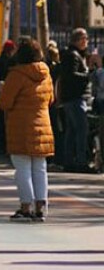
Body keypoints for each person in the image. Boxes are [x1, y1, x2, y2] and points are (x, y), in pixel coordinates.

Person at [0, 38, 54, 221]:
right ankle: (41, 207)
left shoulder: (16, 74)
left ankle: (25, 207)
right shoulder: (46, 74)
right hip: (42, 125)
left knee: (22, 168)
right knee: (40, 168)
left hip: (20, 126)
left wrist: (2, 90)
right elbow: (51, 99)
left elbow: (5, 102)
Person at [58, 27, 93, 172]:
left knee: (72, 131)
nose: (87, 42)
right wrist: (88, 75)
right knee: (81, 130)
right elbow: (71, 76)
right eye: (85, 39)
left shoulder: (72, 54)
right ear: (80, 40)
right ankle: (80, 161)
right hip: (75, 98)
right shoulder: (73, 55)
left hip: (71, 98)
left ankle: (69, 161)